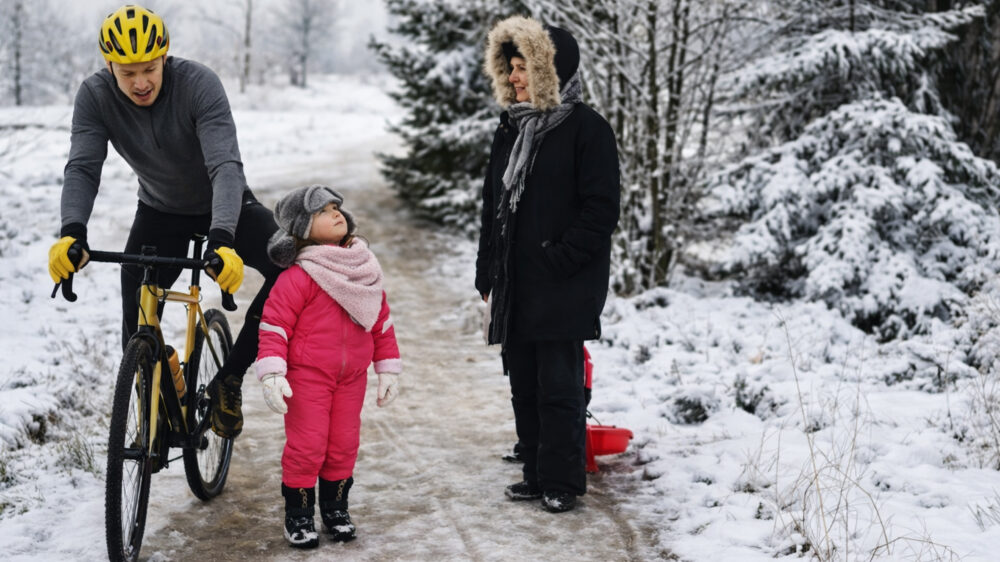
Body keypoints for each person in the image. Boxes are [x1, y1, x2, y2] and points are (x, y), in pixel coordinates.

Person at [47, 4, 278, 439]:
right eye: (127, 72)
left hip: (225, 206)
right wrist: (72, 232)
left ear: (165, 57)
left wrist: (223, 238)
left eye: (149, 69)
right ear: (109, 66)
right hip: (160, 210)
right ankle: (158, 403)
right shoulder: (94, 96)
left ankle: (229, 378)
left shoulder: (199, 84)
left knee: (289, 266)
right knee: (135, 309)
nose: (140, 83)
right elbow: (82, 167)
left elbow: (225, 167)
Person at [476, 16, 620, 513]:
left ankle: (562, 482)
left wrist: (559, 259)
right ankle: (536, 475)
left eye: (524, 67)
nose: (514, 77)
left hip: (563, 282)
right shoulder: (511, 127)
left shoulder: (588, 130)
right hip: (516, 282)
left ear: (550, 72)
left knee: (559, 387)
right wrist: (487, 268)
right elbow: (493, 205)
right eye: (511, 68)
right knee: (524, 384)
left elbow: (601, 210)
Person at [255, 185, 401, 548]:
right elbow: (275, 325)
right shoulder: (300, 276)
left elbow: (380, 321)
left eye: (336, 207)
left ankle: (336, 509)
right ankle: (299, 513)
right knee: (307, 446)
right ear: (304, 228)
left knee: (343, 445)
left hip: (352, 378)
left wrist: (387, 367)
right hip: (307, 377)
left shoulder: (362, 270)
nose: (336, 213)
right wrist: (272, 371)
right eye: (323, 211)